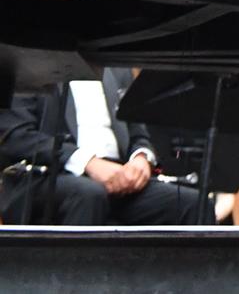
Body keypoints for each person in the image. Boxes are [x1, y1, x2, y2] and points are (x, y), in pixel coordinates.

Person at [0, 69, 204, 225]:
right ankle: (77, 281)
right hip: (48, 175)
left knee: (192, 202)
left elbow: (138, 133)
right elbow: (16, 136)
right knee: (90, 194)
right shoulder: (30, 61)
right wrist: (88, 162)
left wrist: (141, 159)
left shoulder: (116, 66)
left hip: (118, 174)